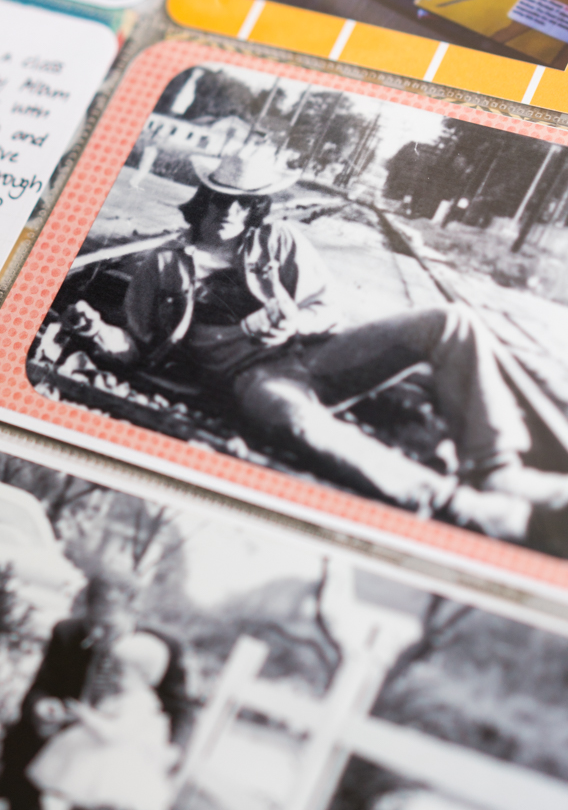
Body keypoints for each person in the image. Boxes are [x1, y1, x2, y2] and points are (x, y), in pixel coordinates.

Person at [65, 146, 568, 545]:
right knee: (300, 420)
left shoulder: (278, 242)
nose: (231, 212)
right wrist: (94, 333)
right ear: (205, 199)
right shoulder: (162, 265)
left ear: (258, 205)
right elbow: (135, 344)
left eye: (244, 202)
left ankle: (498, 469)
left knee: (451, 320)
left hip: (313, 355)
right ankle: (457, 504)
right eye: (221, 198)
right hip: (253, 377)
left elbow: (327, 310)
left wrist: (294, 326)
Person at [0, 572, 188, 810]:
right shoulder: (67, 633)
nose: (96, 634)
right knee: (19, 739)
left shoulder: (161, 648)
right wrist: (43, 707)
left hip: (124, 737)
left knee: (139, 787)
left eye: (108, 626)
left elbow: (179, 707)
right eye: (91, 622)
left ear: (132, 613)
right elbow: (41, 686)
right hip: (74, 723)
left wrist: (173, 751)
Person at [20, 631, 179, 810]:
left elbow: (113, 734)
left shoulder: (141, 703)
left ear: (144, 674)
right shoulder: (122, 696)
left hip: (111, 772)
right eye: (114, 668)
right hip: (95, 765)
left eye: (122, 670)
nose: (115, 675)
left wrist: (86, 717)